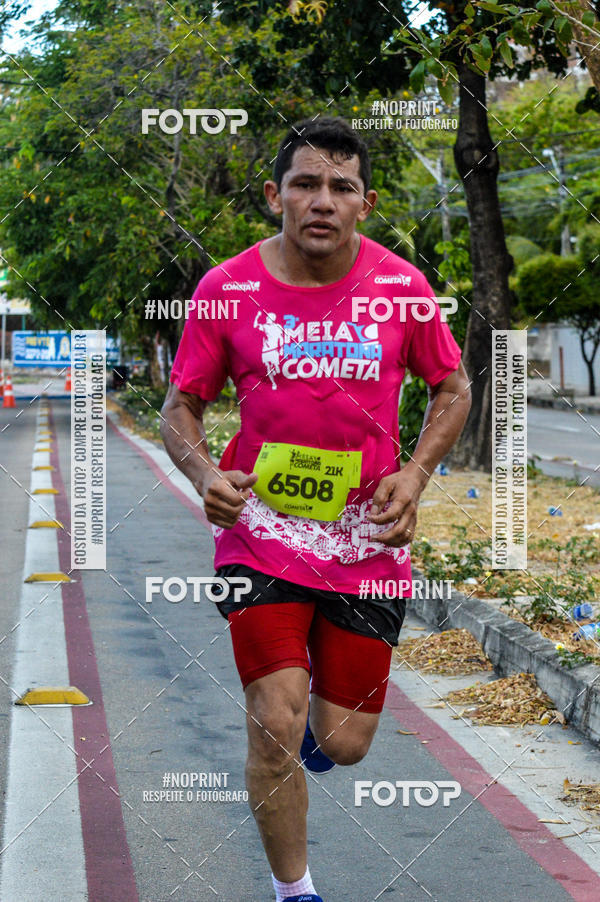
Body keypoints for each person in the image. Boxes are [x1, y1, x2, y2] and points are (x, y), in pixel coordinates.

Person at [160, 116, 471, 902]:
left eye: (341, 186)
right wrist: (203, 473)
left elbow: (453, 388)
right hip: (260, 535)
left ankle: (311, 734)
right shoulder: (226, 289)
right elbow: (180, 406)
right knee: (274, 723)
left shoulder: (402, 289)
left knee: (345, 740)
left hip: (367, 540)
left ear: (366, 203)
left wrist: (416, 475)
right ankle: (295, 891)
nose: (322, 200)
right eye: (305, 184)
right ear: (276, 196)